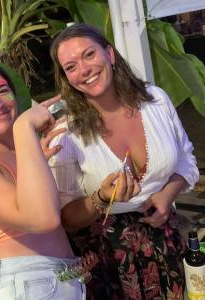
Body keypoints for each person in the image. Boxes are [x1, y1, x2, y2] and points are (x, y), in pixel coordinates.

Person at [48, 23, 199, 299]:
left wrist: (167, 194)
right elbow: (65, 218)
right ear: (66, 78)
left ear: (110, 54)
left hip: (165, 242)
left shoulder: (156, 101)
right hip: (108, 259)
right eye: (71, 67)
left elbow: (186, 158)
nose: (84, 70)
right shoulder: (66, 134)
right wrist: (102, 198)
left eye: (89, 55)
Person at [0, 59, 88, 300]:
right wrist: (23, 126)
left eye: (3, 91)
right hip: (27, 288)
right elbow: (42, 219)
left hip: (57, 283)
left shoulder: (20, 155)